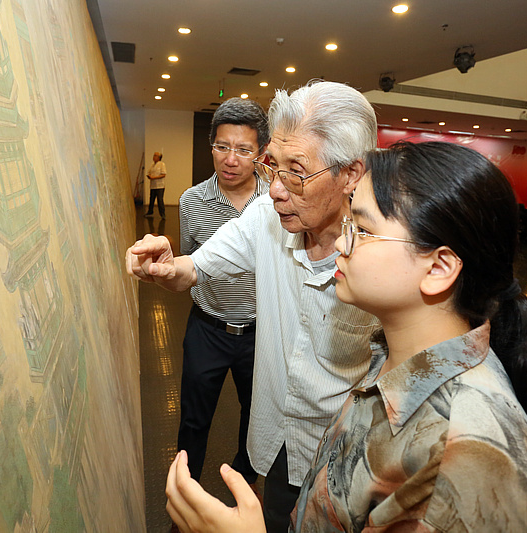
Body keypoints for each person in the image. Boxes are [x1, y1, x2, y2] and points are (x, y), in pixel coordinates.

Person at [164, 142, 527, 532]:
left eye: (362, 228)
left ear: (439, 267)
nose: (341, 241)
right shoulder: (389, 357)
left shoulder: (468, 457)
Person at [127, 80, 380, 532]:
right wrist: (168, 265)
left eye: (296, 171)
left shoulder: (384, 256)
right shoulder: (266, 218)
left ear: (350, 175)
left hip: (350, 459)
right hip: (282, 442)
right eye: (273, 167)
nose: (277, 190)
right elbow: (194, 268)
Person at [176, 98, 270, 497]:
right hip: (208, 328)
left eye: (243, 150)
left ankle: (244, 491)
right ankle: (185, 494)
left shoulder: (276, 202)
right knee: (193, 422)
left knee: (257, 419)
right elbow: (189, 263)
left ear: (260, 154)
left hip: (262, 334)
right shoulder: (191, 202)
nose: (230, 160)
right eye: (221, 147)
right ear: (211, 146)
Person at [146, 151, 167, 218]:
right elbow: (149, 172)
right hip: (153, 186)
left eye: (155, 155)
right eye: (154, 155)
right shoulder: (152, 165)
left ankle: (162, 214)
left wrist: (154, 177)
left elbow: (163, 174)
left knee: (160, 200)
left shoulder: (162, 164)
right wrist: (149, 176)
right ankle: (150, 211)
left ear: (159, 158)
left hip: (160, 186)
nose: (154, 157)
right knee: (151, 199)